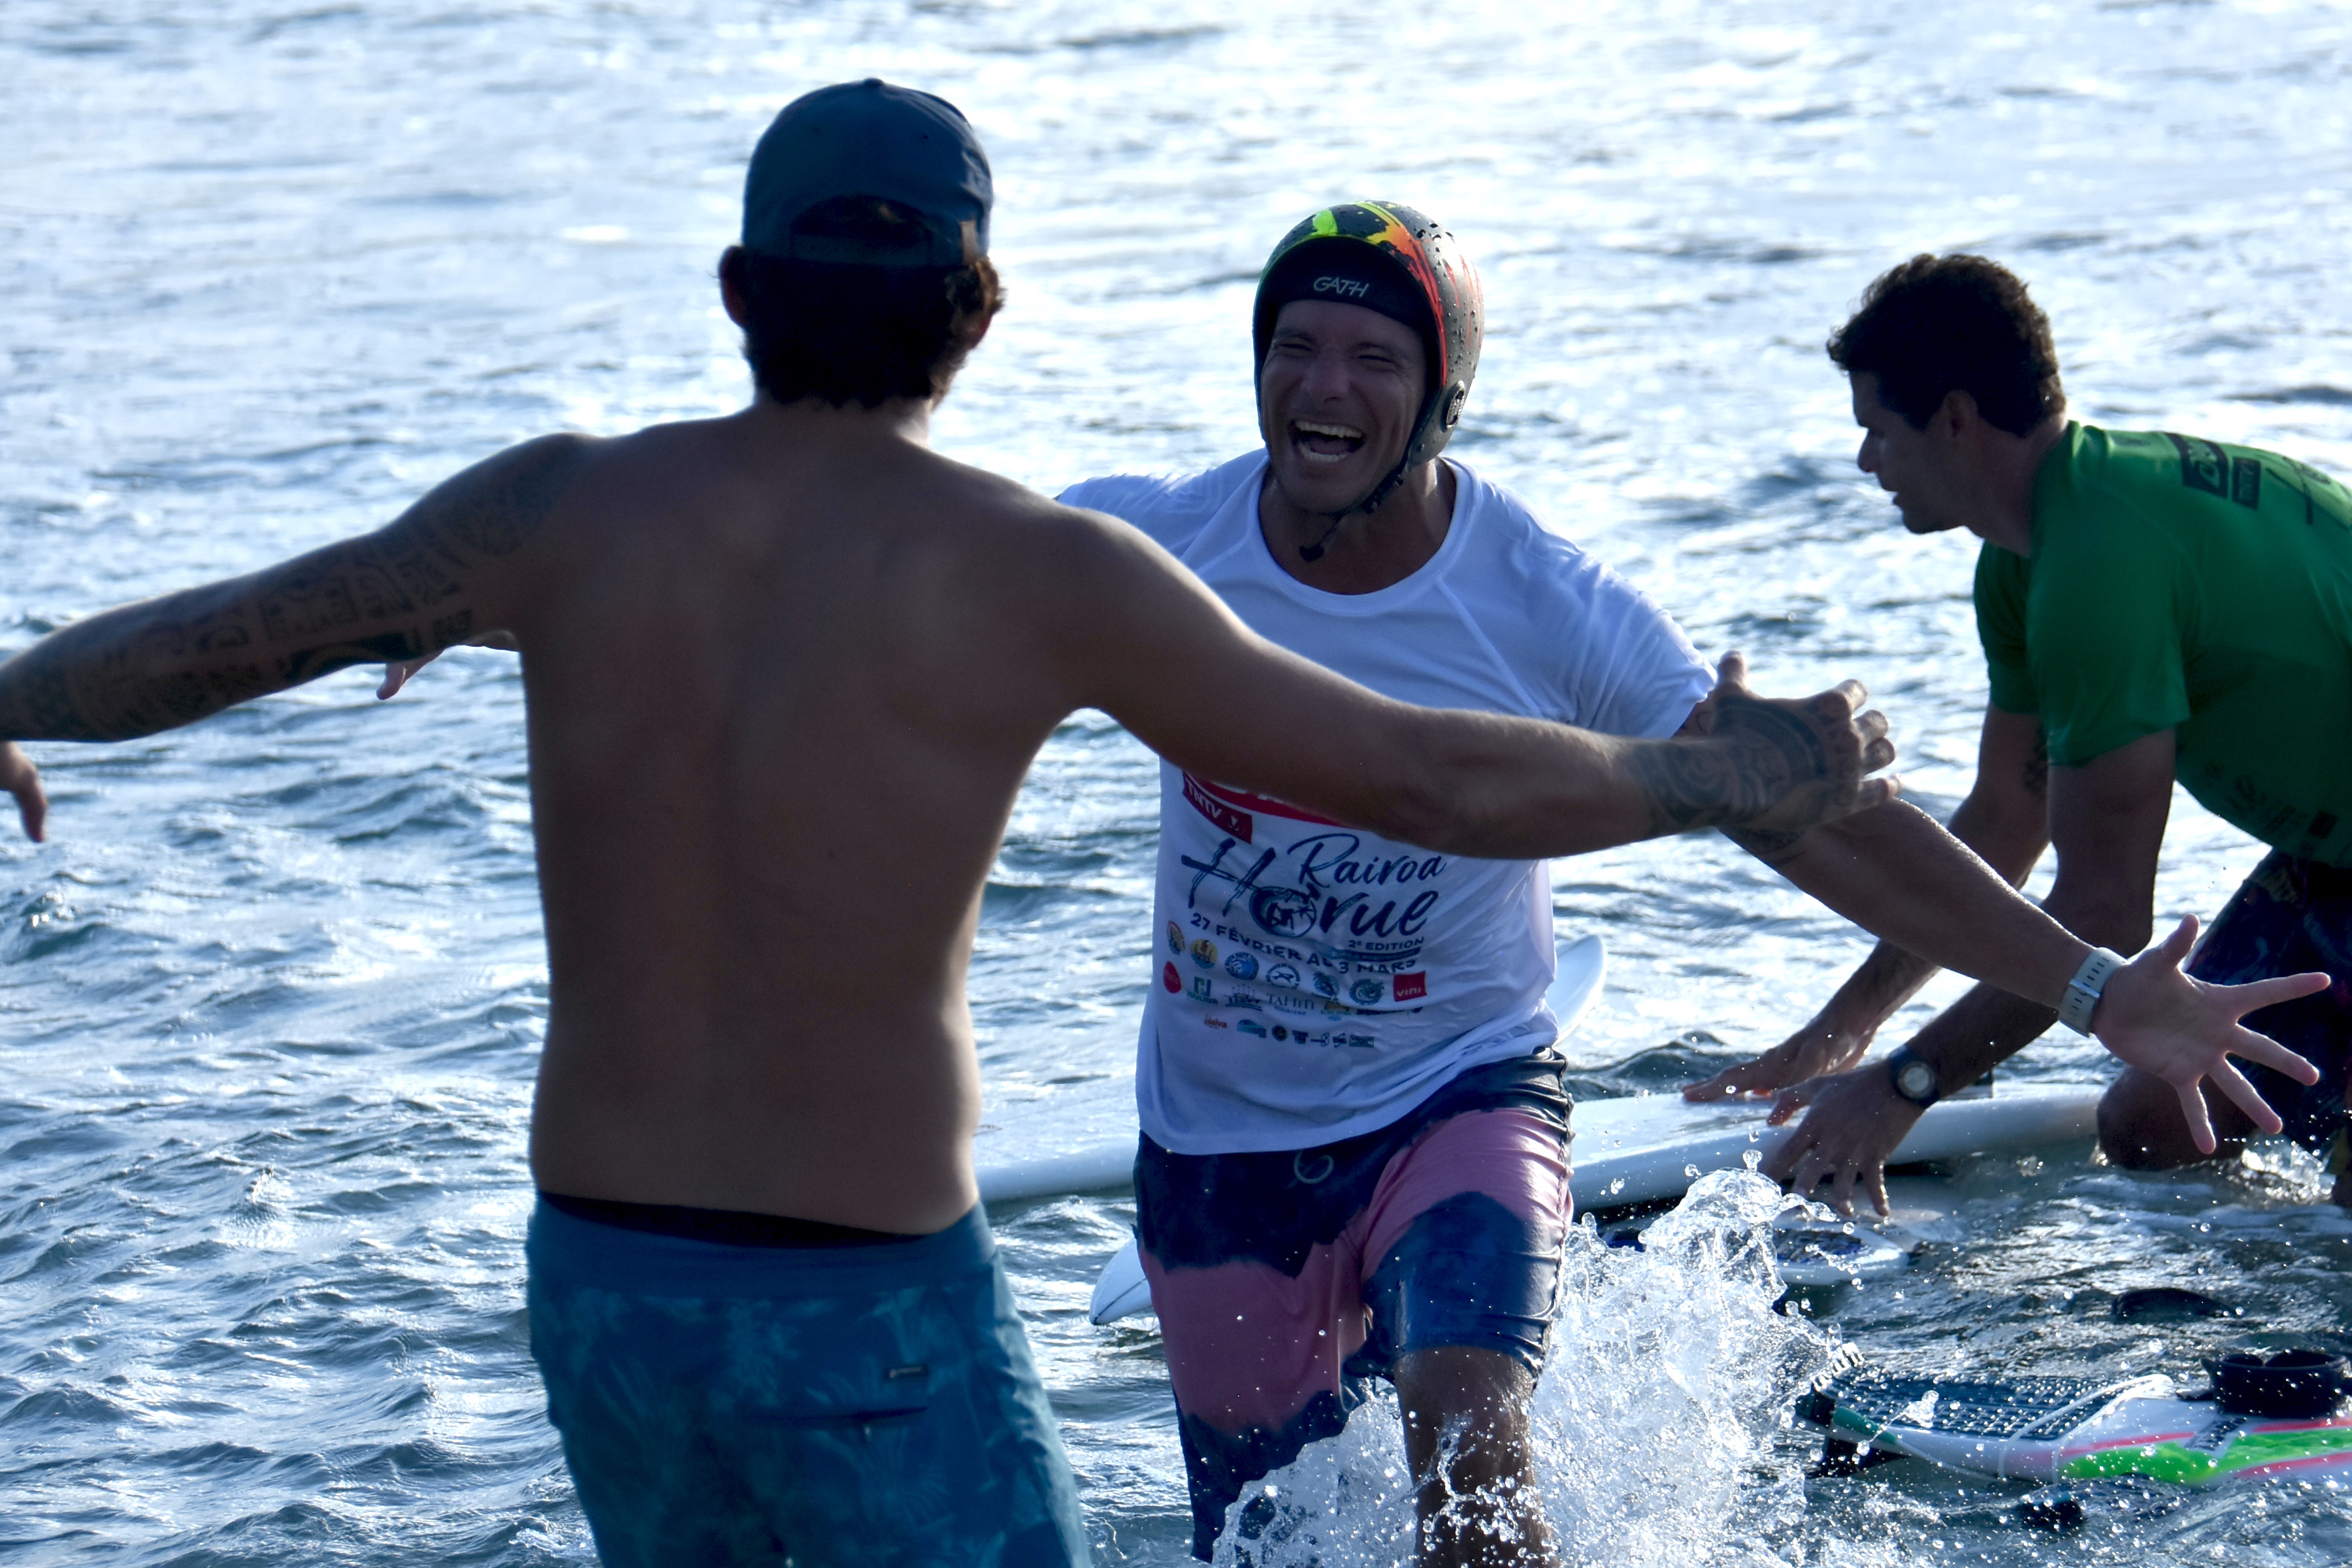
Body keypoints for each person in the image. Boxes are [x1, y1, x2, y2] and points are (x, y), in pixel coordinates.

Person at [0, 82, 1933, 1568]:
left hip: (597, 1283)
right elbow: (1421, 777)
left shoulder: (552, 517)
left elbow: (204, 645)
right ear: (981, 307)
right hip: (865, 1294)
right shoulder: (1036, 577)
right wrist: (1715, 778)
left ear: (742, 295)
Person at [1053, 207, 2326, 1567]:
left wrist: (2091, 990)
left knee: (1474, 1469)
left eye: (1372, 356)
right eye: (1294, 345)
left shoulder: (1538, 601)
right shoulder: (1149, 552)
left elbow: (1818, 823)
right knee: (1258, 1541)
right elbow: (920, 645)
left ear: (1441, 398)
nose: (1322, 386)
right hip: (1218, 1143)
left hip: (1458, 1098)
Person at [1685, 252, 2352, 1211]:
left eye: (1877, 431)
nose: (1866, 463)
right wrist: (1851, 1026)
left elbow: (2103, 918)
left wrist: (1906, 1086)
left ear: (1955, 419)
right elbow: (2003, 823)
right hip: (2332, 855)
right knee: (2151, 1128)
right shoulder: (2027, 556)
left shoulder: (2099, 566)